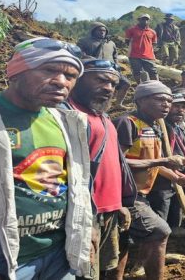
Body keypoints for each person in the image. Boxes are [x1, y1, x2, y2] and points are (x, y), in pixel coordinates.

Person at [0, 37, 93, 279]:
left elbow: (79, 185)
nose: (62, 82)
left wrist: (86, 232)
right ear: (16, 73)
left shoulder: (67, 123)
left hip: (59, 256)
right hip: (1, 264)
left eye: (70, 76)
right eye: (49, 70)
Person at [113, 80, 185, 279]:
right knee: (160, 231)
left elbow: (152, 164)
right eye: (160, 99)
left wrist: (177, 178)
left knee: (123, 242)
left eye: (168, 100)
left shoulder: (156, 126)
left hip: (140, 194)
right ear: (140, 100)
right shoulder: (127, 123)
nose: (166, 104)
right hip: (123, 195)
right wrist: (165, 159)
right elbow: (117, 163)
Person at [66, 59, 137, 280]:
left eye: (113, 84)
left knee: (102, 269)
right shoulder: (67, 115)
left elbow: (114, 166)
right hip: (84, 216)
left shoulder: (104, 117)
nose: (108, 88)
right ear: (78, 79)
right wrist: (84, 220)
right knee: (84, 273)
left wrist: (119, 204)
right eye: (101, 79)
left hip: (109, 211)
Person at [147, 93, 185, 239]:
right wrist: (172, 173)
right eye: (176, 106)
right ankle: (158, 238)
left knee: (179, 201)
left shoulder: (182, 127)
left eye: (184, 107)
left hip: (181, 173)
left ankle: (174, 227)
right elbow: (155, 157)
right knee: (162, 202)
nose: (180, 110)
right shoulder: (158, 129)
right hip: (162, 175)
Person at [77, 22, 131, 110]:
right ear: (93, 31)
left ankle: (118, 104)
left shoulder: (111, 43)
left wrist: (116, 67)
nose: (102, 32)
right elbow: (79, 54)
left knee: (126, 84)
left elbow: (115, 56)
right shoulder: (84, 41)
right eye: (99, 30)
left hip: (111, 70)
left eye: (104, 30)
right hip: (93, 70)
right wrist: (91, 60)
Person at [125, 14, 158, 83]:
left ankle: (156, 86)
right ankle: (140, 87)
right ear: (139, 20)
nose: (145, 21)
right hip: (134, 56)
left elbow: (154, 44)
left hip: (149, 56)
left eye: (146, 19)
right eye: (143, 19)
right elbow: (127, 41)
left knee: (153, 72)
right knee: (137, 73)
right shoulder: (131, 30)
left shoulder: (152, 32)